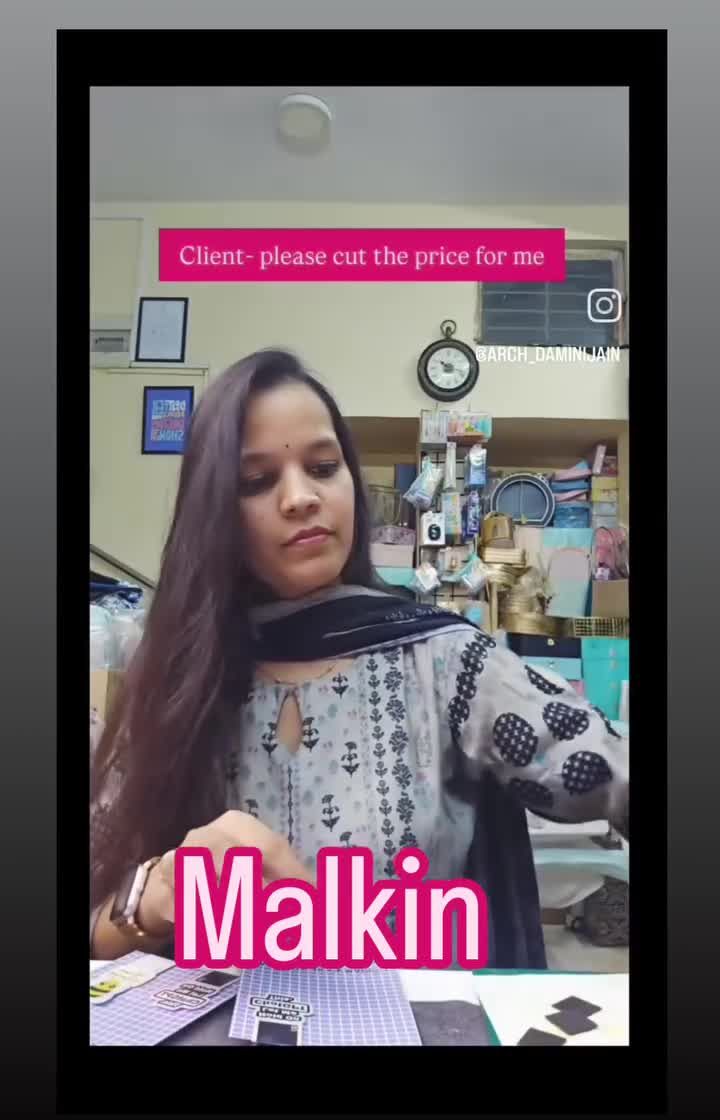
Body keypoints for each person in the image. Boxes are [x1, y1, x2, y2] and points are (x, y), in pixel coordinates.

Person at [90, 348, 629, 966]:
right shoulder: (174, 681)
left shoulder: (447, 663)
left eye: (323, 467)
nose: (300, 498)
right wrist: (158, 895)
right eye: (256, 481)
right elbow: (97, 922)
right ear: (213, 514)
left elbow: (613, 775)